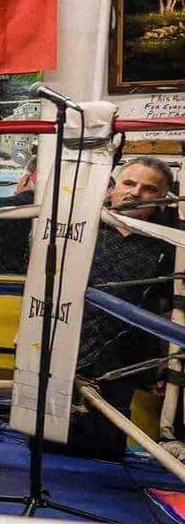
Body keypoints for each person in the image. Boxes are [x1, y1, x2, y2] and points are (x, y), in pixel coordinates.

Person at [76, 157, 178, 452]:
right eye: (129, 183)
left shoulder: (169, 246)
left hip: (123, 357)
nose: (135, 192)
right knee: (47, 439)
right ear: (113, 187)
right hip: (66, 342)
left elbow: (168, 306)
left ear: (161, 200)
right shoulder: (82, 228)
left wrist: (163, 364)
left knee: (106, 443)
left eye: (149, 189)